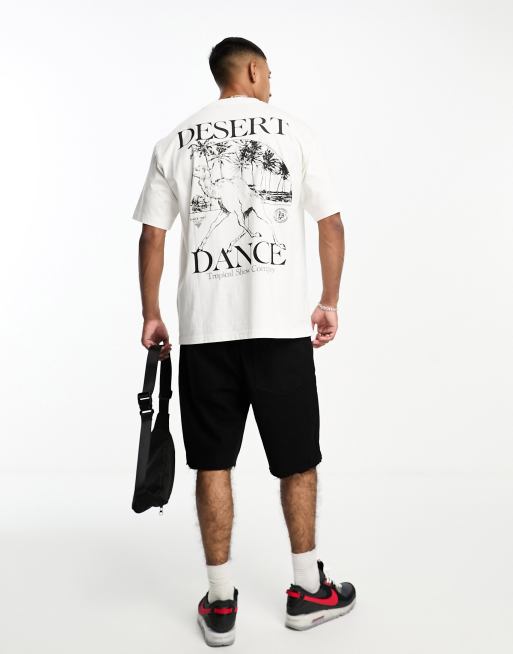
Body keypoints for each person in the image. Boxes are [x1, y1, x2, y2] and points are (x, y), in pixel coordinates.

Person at [131, 36, 355, 646]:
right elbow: (332, 223)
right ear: (253, 70)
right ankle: (308, 591)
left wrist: (151, 314)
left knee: (212, 462)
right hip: (280, 331)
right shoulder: (296, 132)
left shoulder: (174, 141)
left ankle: (221, 601)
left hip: (206, 332)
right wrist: (329, 300)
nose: (272, 84)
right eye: (270, 73)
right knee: (297, 460)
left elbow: (152, 236)